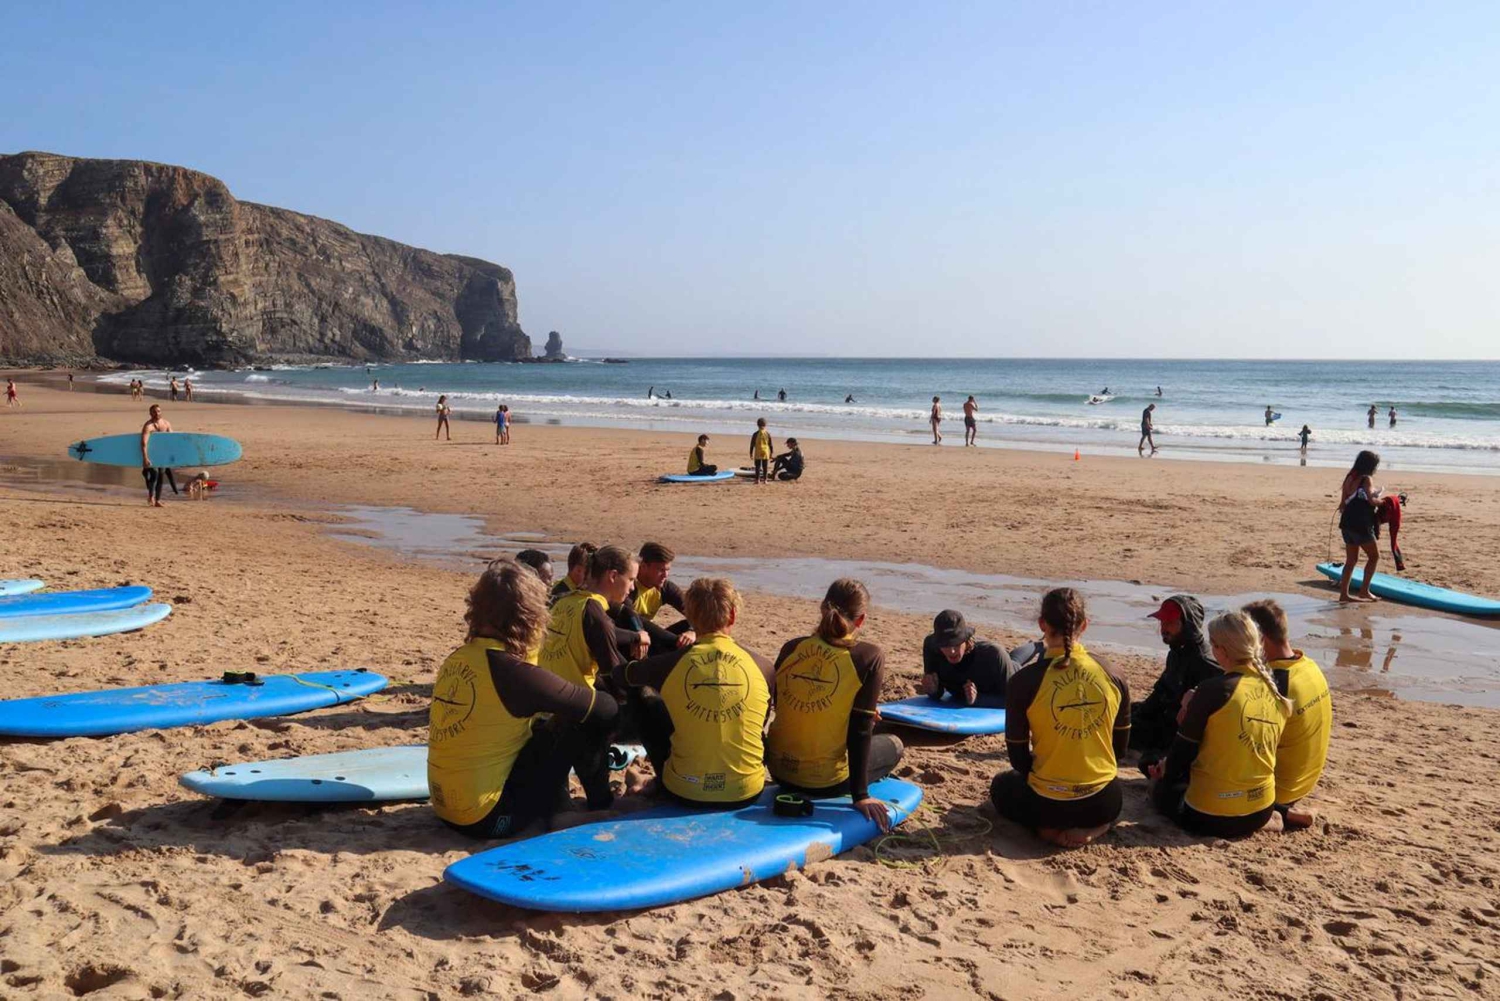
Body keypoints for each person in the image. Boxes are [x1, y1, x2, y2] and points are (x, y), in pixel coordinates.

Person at [428, 559, 621, 839]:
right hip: (491, 819)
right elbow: (604, 708)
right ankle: (589, 805)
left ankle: (561, 807)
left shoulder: (457, 658)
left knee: (542, 724)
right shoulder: (513, 673)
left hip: (446, 810)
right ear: (529, 615)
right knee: (579, 718)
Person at [611, 577, 773, 808]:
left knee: (642, 697)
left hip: (684, 790)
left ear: (690, 617)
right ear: (732, 616)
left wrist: (629, 647)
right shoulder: (763, 666)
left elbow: (620, 675)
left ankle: (663, 777)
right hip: (747, 791)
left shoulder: (668, 664)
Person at [990, 588, 1131, 848]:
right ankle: (1098, 828)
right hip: (1103, 802)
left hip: (1047, 806)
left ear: (1042, 625)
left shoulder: (1023, 681)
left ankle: (1049, 832)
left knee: (1001, 786)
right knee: (1112, 792)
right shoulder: (1113, 673)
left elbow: (1018, 759)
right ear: (1084, 625)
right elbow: (1120, 749)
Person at [767, 579, 905, 831]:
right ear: (861, 620)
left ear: (822, 608)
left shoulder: (791, 647)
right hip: (827, 783)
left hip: (778, 771)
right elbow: (860, 730)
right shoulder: (869, 656)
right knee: (894, 744)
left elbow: (782, 704)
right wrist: (861, 795)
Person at [1148, 611, 1293, 837]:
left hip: (1212, 815)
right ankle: (1281, 814)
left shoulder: (1214, 689)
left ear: (1221, 650)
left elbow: (1181, 756)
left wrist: (1186, 714)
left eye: (1213, 645)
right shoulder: (1273, 689)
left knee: (1155, 779)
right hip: (1261, 809)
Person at [538, 546, 648, 808]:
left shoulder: (564, 601)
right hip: (571, 715)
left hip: (542, 705)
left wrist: (634, 637)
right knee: (636, 710)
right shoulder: (596, 613)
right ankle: (601, 798)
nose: (632, 588)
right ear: (613, 576)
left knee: (600, 699)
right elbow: (618, 677)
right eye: (631, 580)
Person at [1243, 599, 1332, 830]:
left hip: (1281, 789)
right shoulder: (1309, 666)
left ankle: (1279, 813)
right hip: (1306, 782)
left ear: (1260, 640)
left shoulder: (1275, 682)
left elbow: (1250, 747)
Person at [1131, 596, 1221, 765]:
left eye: (1170, 623)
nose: (1163, 628)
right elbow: (1161, 691)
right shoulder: (1176, 652)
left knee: (1147, 759)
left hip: (1178, 730)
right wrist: (1139, 714)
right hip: (1164, 717)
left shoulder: (1205, 662)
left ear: (1188, 625)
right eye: (1162, 622)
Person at [919, 610, 1041, 705]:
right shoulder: (931, 647)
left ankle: (1040, 645)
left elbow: (1013, 700)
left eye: (956, 644)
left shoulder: (992, 655)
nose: (951, 651)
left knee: (1014, 663)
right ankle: (1039, 644)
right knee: (1014, 659)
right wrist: (932, 690)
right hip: (999, 667)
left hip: (1003, 679)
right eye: (945, 645)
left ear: (966, 640)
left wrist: (978, 699)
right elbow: (937, 693)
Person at [616, 542, 695, 656]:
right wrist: (675, 641)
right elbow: (630, 616)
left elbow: (696, 613)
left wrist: (692, 631)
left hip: (650, 640)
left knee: (694, 625)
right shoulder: (629, 586)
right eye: (661, 570)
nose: (665, 575)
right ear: (643, 566)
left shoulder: (665, 588)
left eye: (667, 570)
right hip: (628, 642)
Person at [1336, 450, 1383, 603]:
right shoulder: (1366, 479)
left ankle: (1344, 595)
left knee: (1351, 560)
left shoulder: (1349, 477)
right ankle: (1364, 591)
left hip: (1346, 523)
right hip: (1360, 524)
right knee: (1374, 556)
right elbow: (1371, 501)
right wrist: (1383, 502)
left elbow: (1342, 504)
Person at [140, 404, 177, 507]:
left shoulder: (166, 424)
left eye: (158, 411)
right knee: (154, 474)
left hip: (163, 454)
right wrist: (145, 458)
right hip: (151, 454)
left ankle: (157, 500)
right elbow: (143, 443)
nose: (157, 413)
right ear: (150, 413)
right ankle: (151, 496)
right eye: (154, 412)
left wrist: (172, 456)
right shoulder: (149, 426)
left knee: (161, 475)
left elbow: (172, 440)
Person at [550, 541, 597, 606]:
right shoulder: (559, 594)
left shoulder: (557, 587)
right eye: (592, 573)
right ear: (578, 570)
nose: (595, 578)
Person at [750, 418, 774, 484]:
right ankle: (765, 480)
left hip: (758, 452)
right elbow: (770, 445)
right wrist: (771, 453)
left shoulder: (755, 434)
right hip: (765, 452)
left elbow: (752, 444)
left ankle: (757, 480)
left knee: (757, 466)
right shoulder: (767, 434)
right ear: (765, 425)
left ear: (757, 425)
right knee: (765, 467)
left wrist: (751, 453)